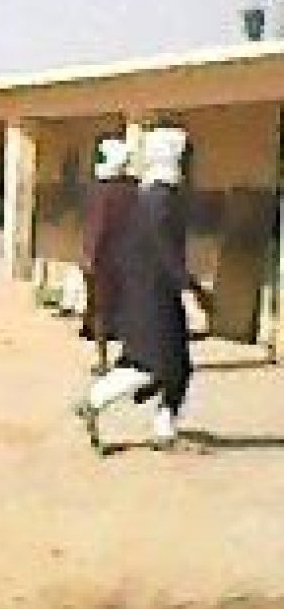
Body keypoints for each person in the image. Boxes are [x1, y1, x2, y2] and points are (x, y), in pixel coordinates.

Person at [75, 127, 211, 455]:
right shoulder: (158, 198)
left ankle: (164, 427)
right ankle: (94, 401)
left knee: (176, 365)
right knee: (152, 364)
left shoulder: (155, 194)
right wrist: (190, 291)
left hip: (148, 291)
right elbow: (165, 252)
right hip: (150, 295)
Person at [80, 136, 137, 375]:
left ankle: (103, 360)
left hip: (105, 258)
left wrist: (88, 256)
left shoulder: (102, 191)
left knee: (101, 310)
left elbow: (98, 226)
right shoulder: (135, 188)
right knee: (128, 308)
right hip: (130, 255)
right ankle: (127, 355)